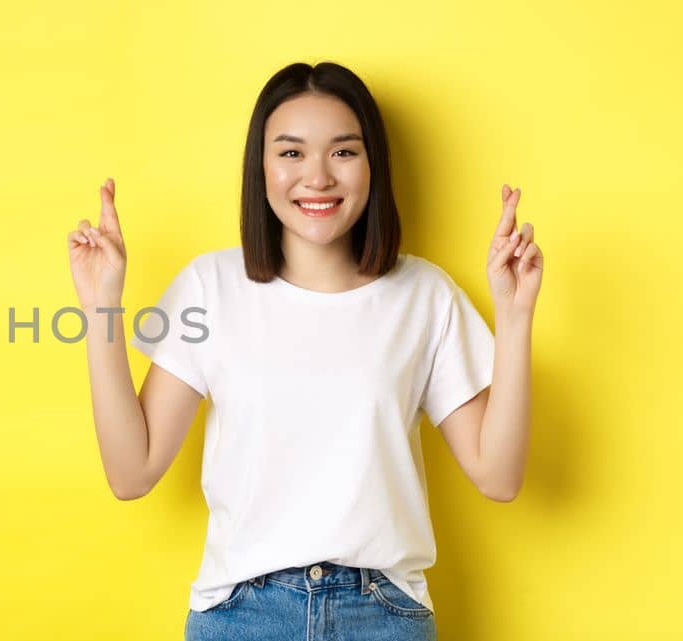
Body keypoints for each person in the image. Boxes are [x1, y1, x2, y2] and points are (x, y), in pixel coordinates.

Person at [65, 61, 544, 641]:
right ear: (260, 168)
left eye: (343, 152)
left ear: (373, 167)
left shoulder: (425, 294)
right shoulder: (210, 287)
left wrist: (515, 316)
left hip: (383, 616)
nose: (317, 176)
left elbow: (499, 476)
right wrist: (101, 306)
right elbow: (131, 472)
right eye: (291, 153)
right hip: (241, 615)